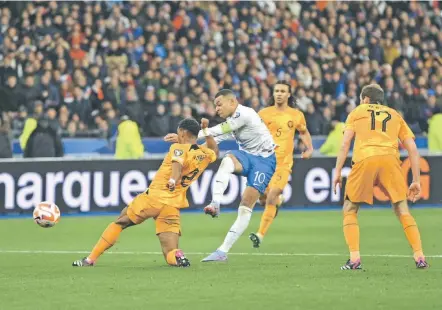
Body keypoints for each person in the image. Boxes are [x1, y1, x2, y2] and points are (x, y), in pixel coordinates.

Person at [72, 118, 218, 267]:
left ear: (182, 132)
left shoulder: (177, 148)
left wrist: (173, 180)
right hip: (172, 205)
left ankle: (90, 259)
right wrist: (206, 130)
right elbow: (214, 150)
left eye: (179, 132)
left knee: (121, 222)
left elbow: (177, 165)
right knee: (170, 251)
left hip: (153, 198)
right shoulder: (203, 153)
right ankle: (178, 256)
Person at [333, 84, 428, 270]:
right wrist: (416, 180)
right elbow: (412, 149)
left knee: (350, 208)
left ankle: (354, 260)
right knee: (402, 209)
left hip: (365, 159)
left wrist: (337, 170)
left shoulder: (357, 111)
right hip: (390, 161)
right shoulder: (394, 114)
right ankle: (420, 257)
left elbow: (345, 144)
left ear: (366, 99)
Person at [179, 89, 277, 262]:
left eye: (219, 104)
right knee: (227, 161)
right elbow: (211, 141)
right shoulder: (233, 121)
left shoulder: (244, 114)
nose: (216, 109)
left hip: (265, 161)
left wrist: (187, 135)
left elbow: (216, 130)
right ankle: (215, 202)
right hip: (247, 157)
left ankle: (222, 251)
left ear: (232, 102)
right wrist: (186, 144)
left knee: (246, 205)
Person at [249, 81, 313, 248]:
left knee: (271, 197)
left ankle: (260, 235)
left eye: (282, 91)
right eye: (276, 90)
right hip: (264, 162)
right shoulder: (264, 113)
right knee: (263, 198)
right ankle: (277, 202)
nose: (279, 93)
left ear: (288, 94)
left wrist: (309, 148)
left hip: (283, 164)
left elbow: (304, 132)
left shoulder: (296, 115)